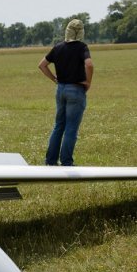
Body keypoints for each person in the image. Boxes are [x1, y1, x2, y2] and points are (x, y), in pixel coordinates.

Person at [38, 19, 93, 166]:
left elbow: (42, 65)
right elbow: (89, 64)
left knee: (59, 126)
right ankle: (66, 161)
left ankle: (50, 161)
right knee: (71, 128)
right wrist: (88, 82)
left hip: (61, 89)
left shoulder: (58, 47)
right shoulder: (82, 47)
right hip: (76, 90)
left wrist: (54, 79)